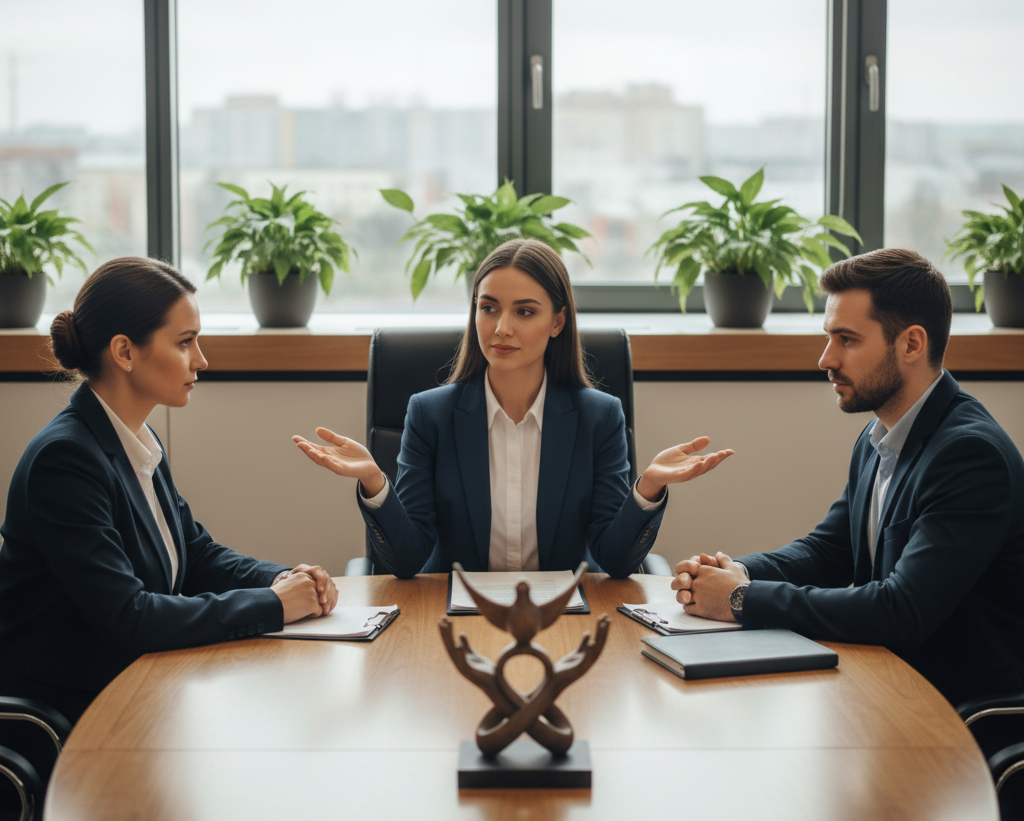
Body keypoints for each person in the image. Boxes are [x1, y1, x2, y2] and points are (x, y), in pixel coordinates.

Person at [672, 248, 1024, 705]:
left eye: (847, 340)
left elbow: (901, 610)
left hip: (959, 712)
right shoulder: (879, 436)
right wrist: (736, 572)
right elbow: (830, 549)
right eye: (828, 337)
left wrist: (742, 599)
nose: (825, 359)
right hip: (889, 686)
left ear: (912, 344)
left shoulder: (969, 454)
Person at [0, 257, 338, 727]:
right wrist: (277, 605)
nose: (201, 359)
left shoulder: (135, 438)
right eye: (185, 342)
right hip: (75, 718)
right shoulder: (65, 461)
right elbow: (129, 617)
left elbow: (195, 553)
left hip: (140, 691)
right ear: (124, 351)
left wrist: (282, 577)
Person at [294, 239, 733, 579]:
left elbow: (615, 562)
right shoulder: (431, 415)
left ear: (557, 322)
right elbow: (408, 560)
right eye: (489, 308)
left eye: (524, 311)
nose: (501, 328)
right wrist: (374, 481)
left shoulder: (599, 417)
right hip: (452, 621)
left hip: (568, 621)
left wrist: (649, 486)